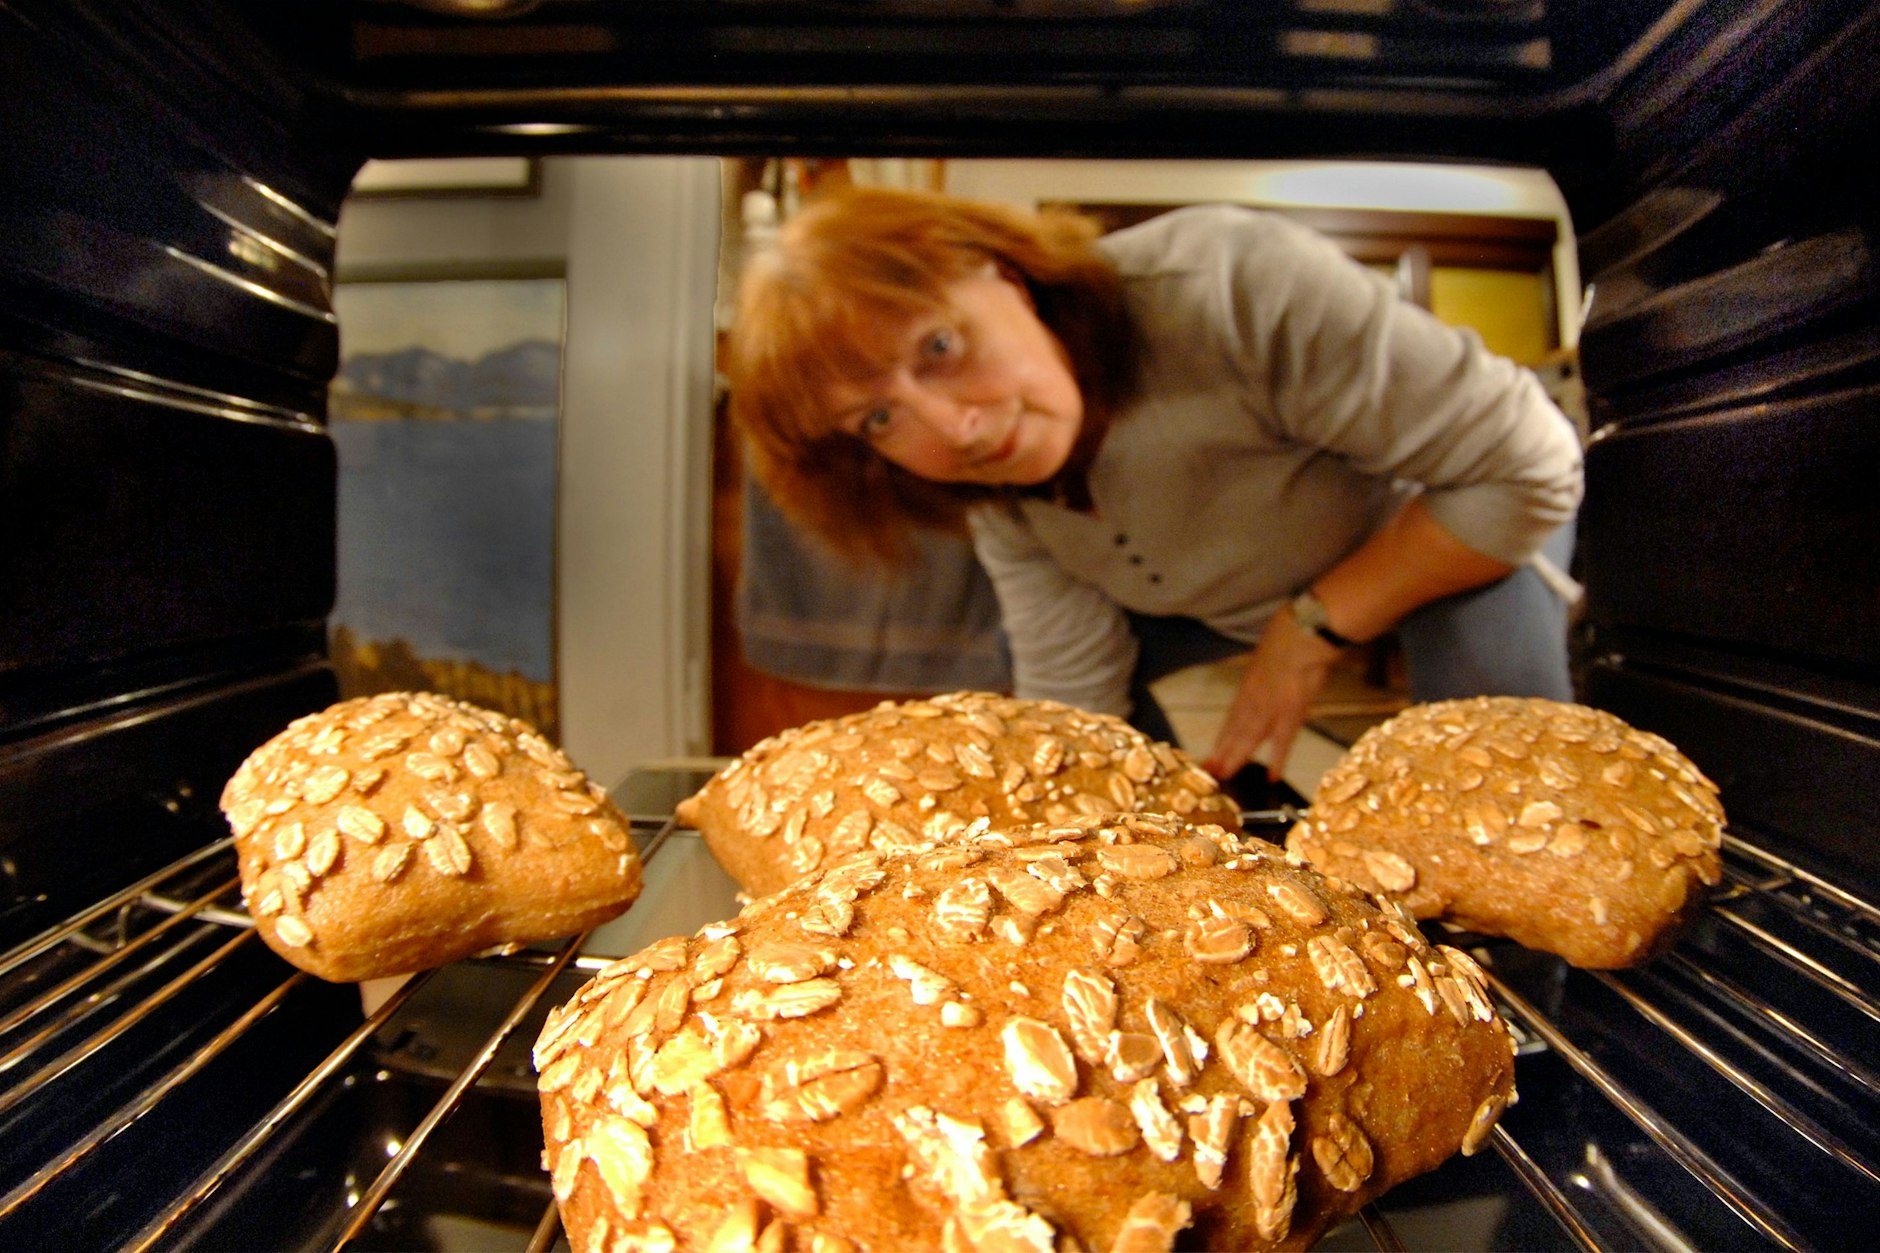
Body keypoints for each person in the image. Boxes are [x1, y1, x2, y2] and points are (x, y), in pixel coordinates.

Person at [724, 185, 1583, 787]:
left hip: (1448, 527)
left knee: (1499, 761)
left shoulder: (1229, 284)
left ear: (1001, 273)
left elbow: (1528, 467)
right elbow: (1077, 693)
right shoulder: (989, 492)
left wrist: (1309, 628)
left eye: (940, 349)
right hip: (1226, 598)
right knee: (1057, 735)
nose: (955, 431)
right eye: (878, 420)